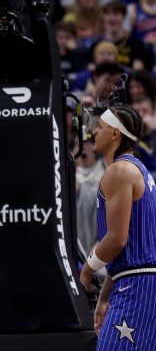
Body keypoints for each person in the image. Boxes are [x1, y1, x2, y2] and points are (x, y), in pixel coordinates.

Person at [79, 105, 156, 349]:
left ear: (115, 134)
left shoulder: (119, 171)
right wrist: (105, 294)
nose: (93, 133)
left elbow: (116, 239)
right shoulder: (139, 170)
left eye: (100, 127)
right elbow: (130, 243)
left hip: (138, 286)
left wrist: (87, 269)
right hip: (138, 282)